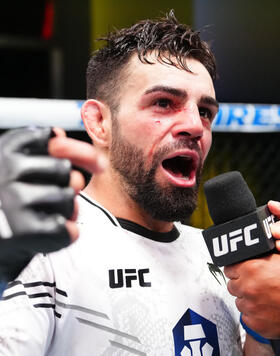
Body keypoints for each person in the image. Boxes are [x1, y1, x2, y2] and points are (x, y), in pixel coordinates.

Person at [0, 11, 278, 355]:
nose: (195, 125)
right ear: (99, 121)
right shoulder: (45, 252)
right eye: (164, 103)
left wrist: (264, 329)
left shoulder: (222, 258)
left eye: (205, 111)